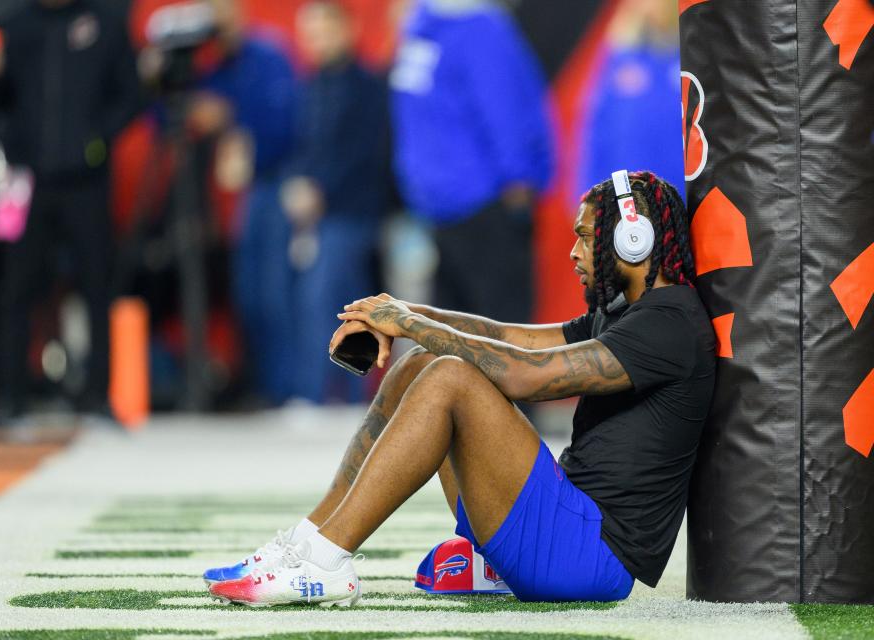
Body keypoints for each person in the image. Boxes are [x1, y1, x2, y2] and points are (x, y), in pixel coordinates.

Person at [201, 170, 716, 605]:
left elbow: (525, 376)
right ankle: (310, 539)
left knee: (451, 374)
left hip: (593, 556)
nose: (574, 251)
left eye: (584, 236)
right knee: (424, 360)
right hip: (570, 519)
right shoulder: (631, 312)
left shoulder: (668, 323)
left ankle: (328, 560)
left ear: (634, 239)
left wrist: (408, 321)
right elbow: (509, 338)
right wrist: (406, 314)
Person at [0, 0, 142, 421]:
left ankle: (98, 395)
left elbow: (132, 95)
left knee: (96, 286)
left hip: (86, 181)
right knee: (16, 288)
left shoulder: (105, 22)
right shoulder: (14, 25)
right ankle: (10, 395)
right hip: (26, 180)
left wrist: (96, 141)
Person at [389, 0, 553, 323]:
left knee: (452, 340)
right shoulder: (480, 30)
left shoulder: (418, 32)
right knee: (507, 340)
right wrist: (520, 177)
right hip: (482, 204)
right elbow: (506, 112)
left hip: (436, 204)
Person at [190, 0, 298, 407]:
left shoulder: (267, 55)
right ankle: (262, 388)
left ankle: (286, 390)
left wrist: (233, 118)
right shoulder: (214, 68)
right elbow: (168, 116)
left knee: (273, 293)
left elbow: (285, 123)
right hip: (238, 196)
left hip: (274, 183)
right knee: (248, 294)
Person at [283, 0, 388, 403]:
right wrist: (297, 185)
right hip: (314, 217)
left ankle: (344, 394)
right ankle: (322, 392)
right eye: (309, 33)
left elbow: (362, 151)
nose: (315, 41)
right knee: (316, 301)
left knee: (343, 303)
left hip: (353, 211)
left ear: (346, 30)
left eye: (323, 30)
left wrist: (319, 189)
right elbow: (303, 147)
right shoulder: (310, 86)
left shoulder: (366, 86)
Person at [577, 0, 683, 198]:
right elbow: (596, 126)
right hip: (628, 198)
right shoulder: (620, 56)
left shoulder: (695, 56)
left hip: (685, 195)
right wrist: (588, 192)